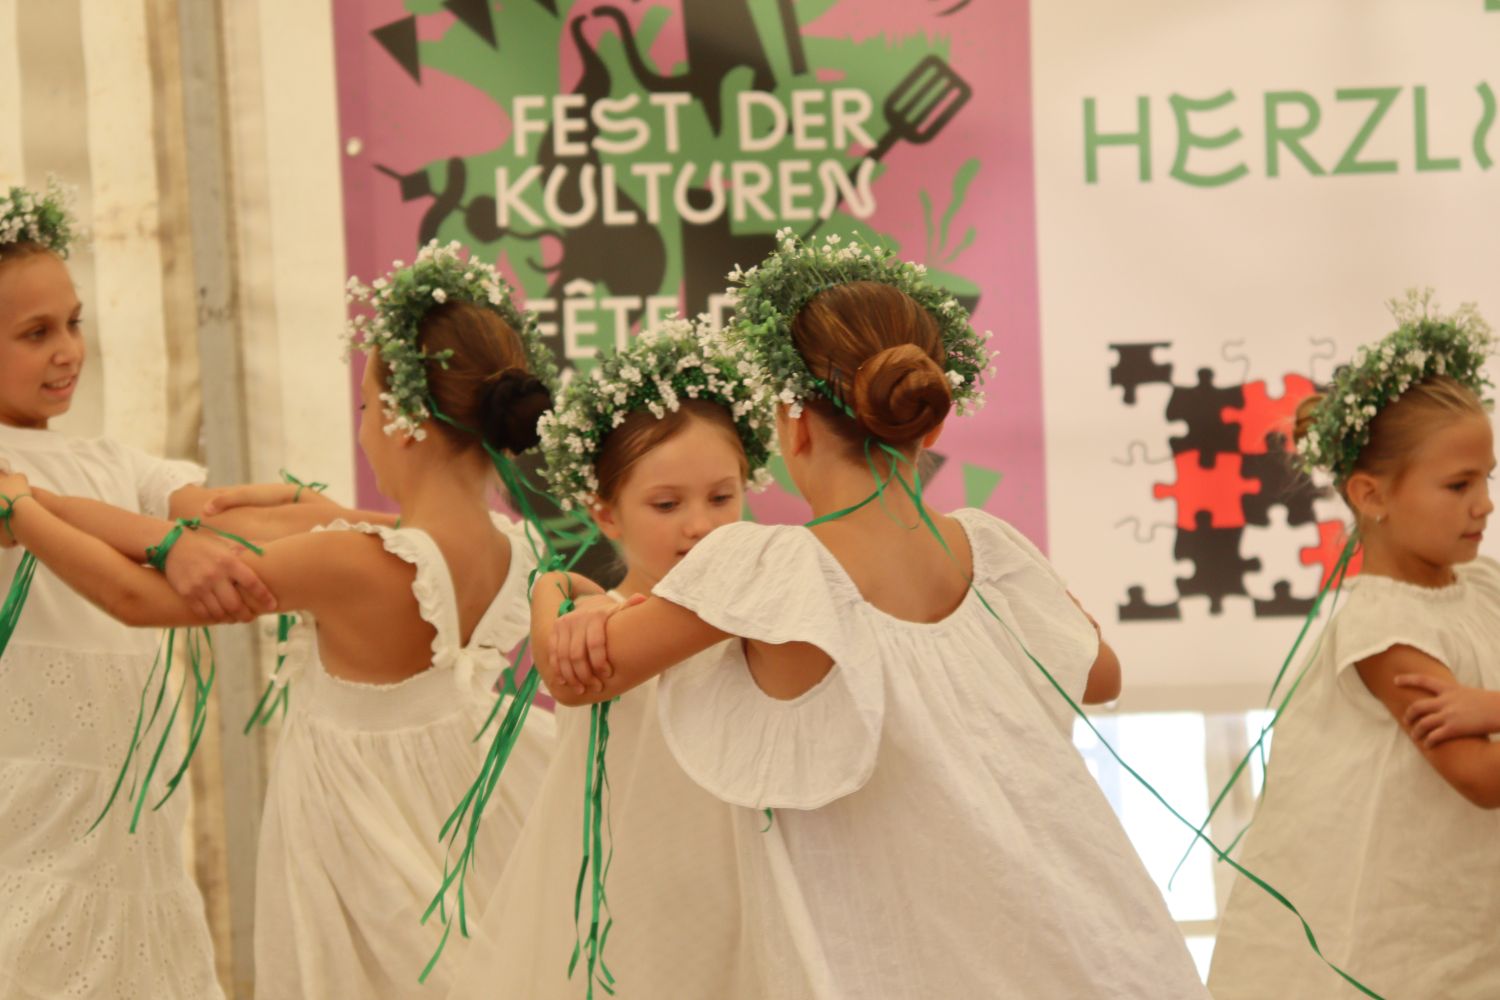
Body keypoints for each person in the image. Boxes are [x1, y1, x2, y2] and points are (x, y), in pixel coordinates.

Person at [1208, 291, 1500, 999]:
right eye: (1458, 484)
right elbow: (1481, 778)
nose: (1485, 503)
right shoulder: (1384, 631)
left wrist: (1491, 705)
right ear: (1371, 495)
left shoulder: (1484, 584)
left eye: (1487, 478)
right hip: (1400, 942)